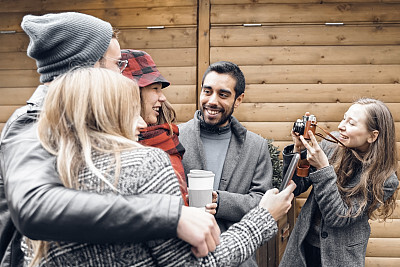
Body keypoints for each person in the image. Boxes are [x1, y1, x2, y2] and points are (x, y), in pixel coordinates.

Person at [0, 12, 219, 266]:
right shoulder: (33, 121)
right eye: (118, 64)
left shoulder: (72, 120)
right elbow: (33, 206)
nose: (123, 76)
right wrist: (171, 215)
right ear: (90, 67)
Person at [23, 67, 296, 266]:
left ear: (239, 99)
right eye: (130, 111)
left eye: (223, 94)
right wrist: (174, 213)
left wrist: (216, 202)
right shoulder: (163, 149)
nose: (143, 126)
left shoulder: (43, 174)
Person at [279, 98, 399, 267]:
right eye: (344, 118)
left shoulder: (385, 179)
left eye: (351, 123)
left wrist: (323, 168)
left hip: (341, 256)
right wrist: (298, 150)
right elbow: (296, 187)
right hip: (303, 246)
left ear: (373, 136)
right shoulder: (331, 143)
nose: (341, 126)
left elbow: (338, 217)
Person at [179, 61, 273, 266]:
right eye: (207, 91)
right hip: (183, 257)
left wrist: (221, 202)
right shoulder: (174, 137)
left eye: (223, 94)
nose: (212, 101)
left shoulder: (256, 146)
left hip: (240, 259)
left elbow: (263, 203)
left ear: (238, 100)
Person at [121, 49, 190, 206]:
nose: (163, 97)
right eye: (155, 88)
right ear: (132, 93)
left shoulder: (165, 138)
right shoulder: (106, 147)